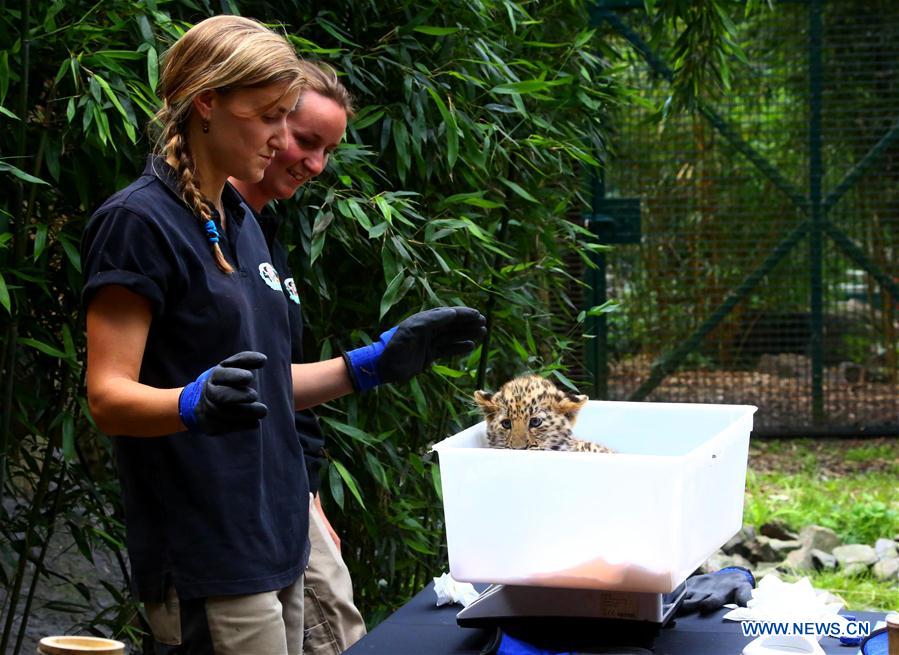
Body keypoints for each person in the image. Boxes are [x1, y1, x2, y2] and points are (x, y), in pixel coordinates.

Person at [82, 16, 485, 655]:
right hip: (210, 549)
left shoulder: (241, 221)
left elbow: (261, 386)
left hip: (275, 531)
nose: (279, 136)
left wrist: (370, 364)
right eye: (270, 116)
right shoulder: (138, 221)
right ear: (208, 103)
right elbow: (106, 396)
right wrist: (188, 403)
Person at [228, 60, 366, 655]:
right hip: (233, 500)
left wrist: (307, 490)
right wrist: (369, 365)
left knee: (338, 624)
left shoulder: (267, 236)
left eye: (328, 150)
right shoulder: (186, 225)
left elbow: (283, 377)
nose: (315, 165)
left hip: (287, 484)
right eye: (306, 141)